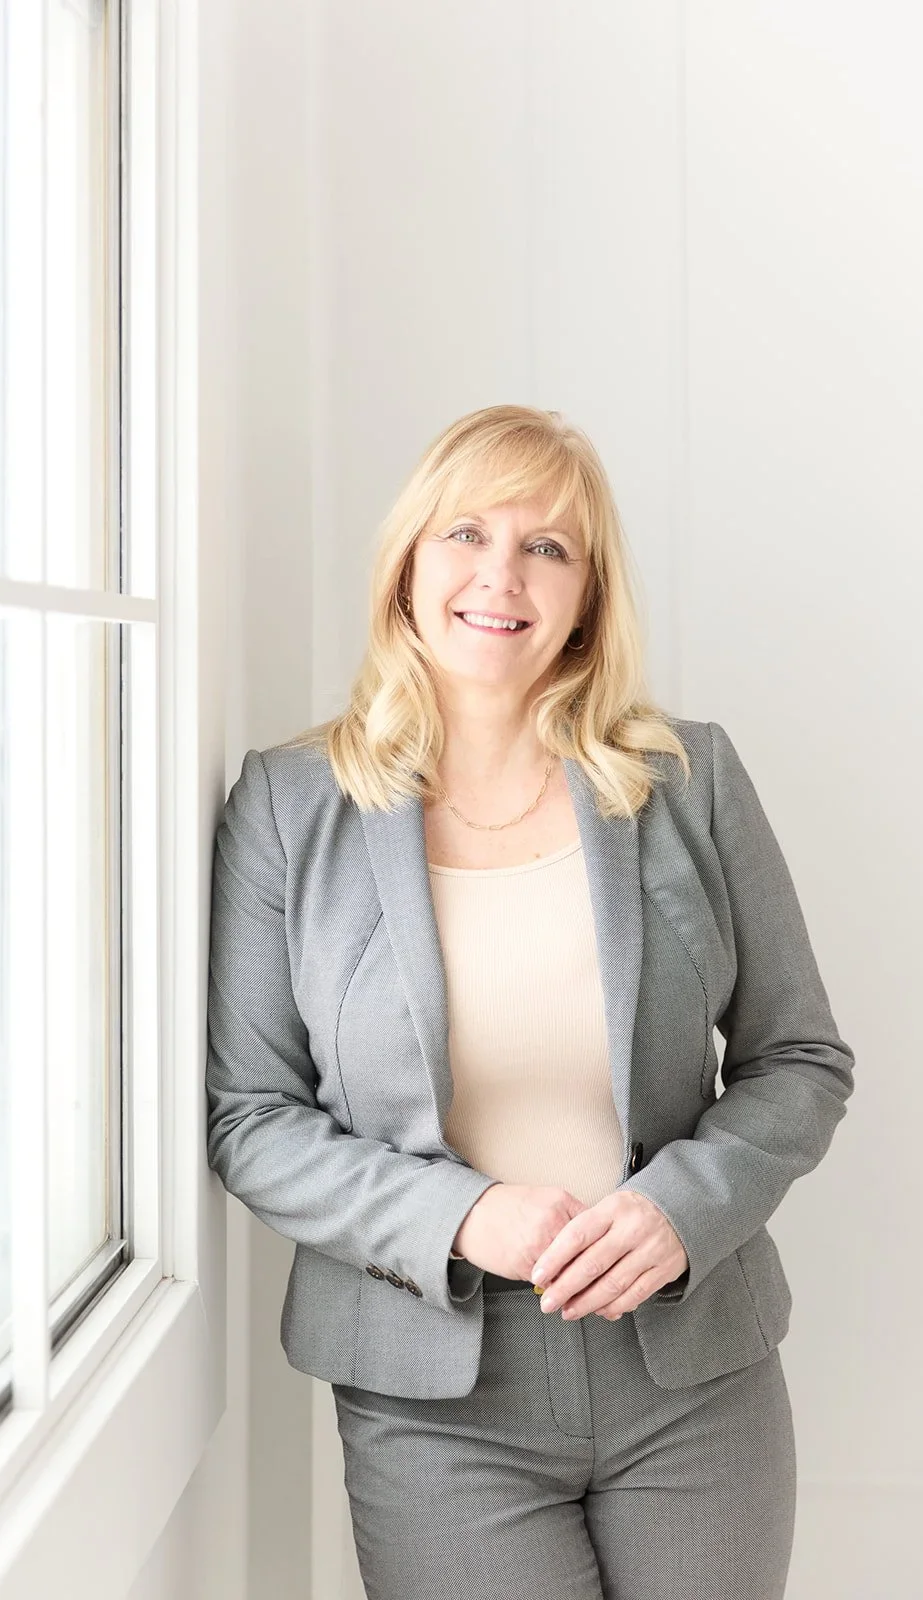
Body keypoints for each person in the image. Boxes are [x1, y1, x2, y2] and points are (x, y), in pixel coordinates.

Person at [205, 404, 855, 1599]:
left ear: (586, 596)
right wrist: (462, 1216)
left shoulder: (685, 777)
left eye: (547, 548)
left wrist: (679, 1209)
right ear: (407, 562)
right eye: (465, 532)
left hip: (690, 1366)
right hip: (435, 1399)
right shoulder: (289, 808)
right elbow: (251, 1117)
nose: (499, 575)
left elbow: (798, 1056)